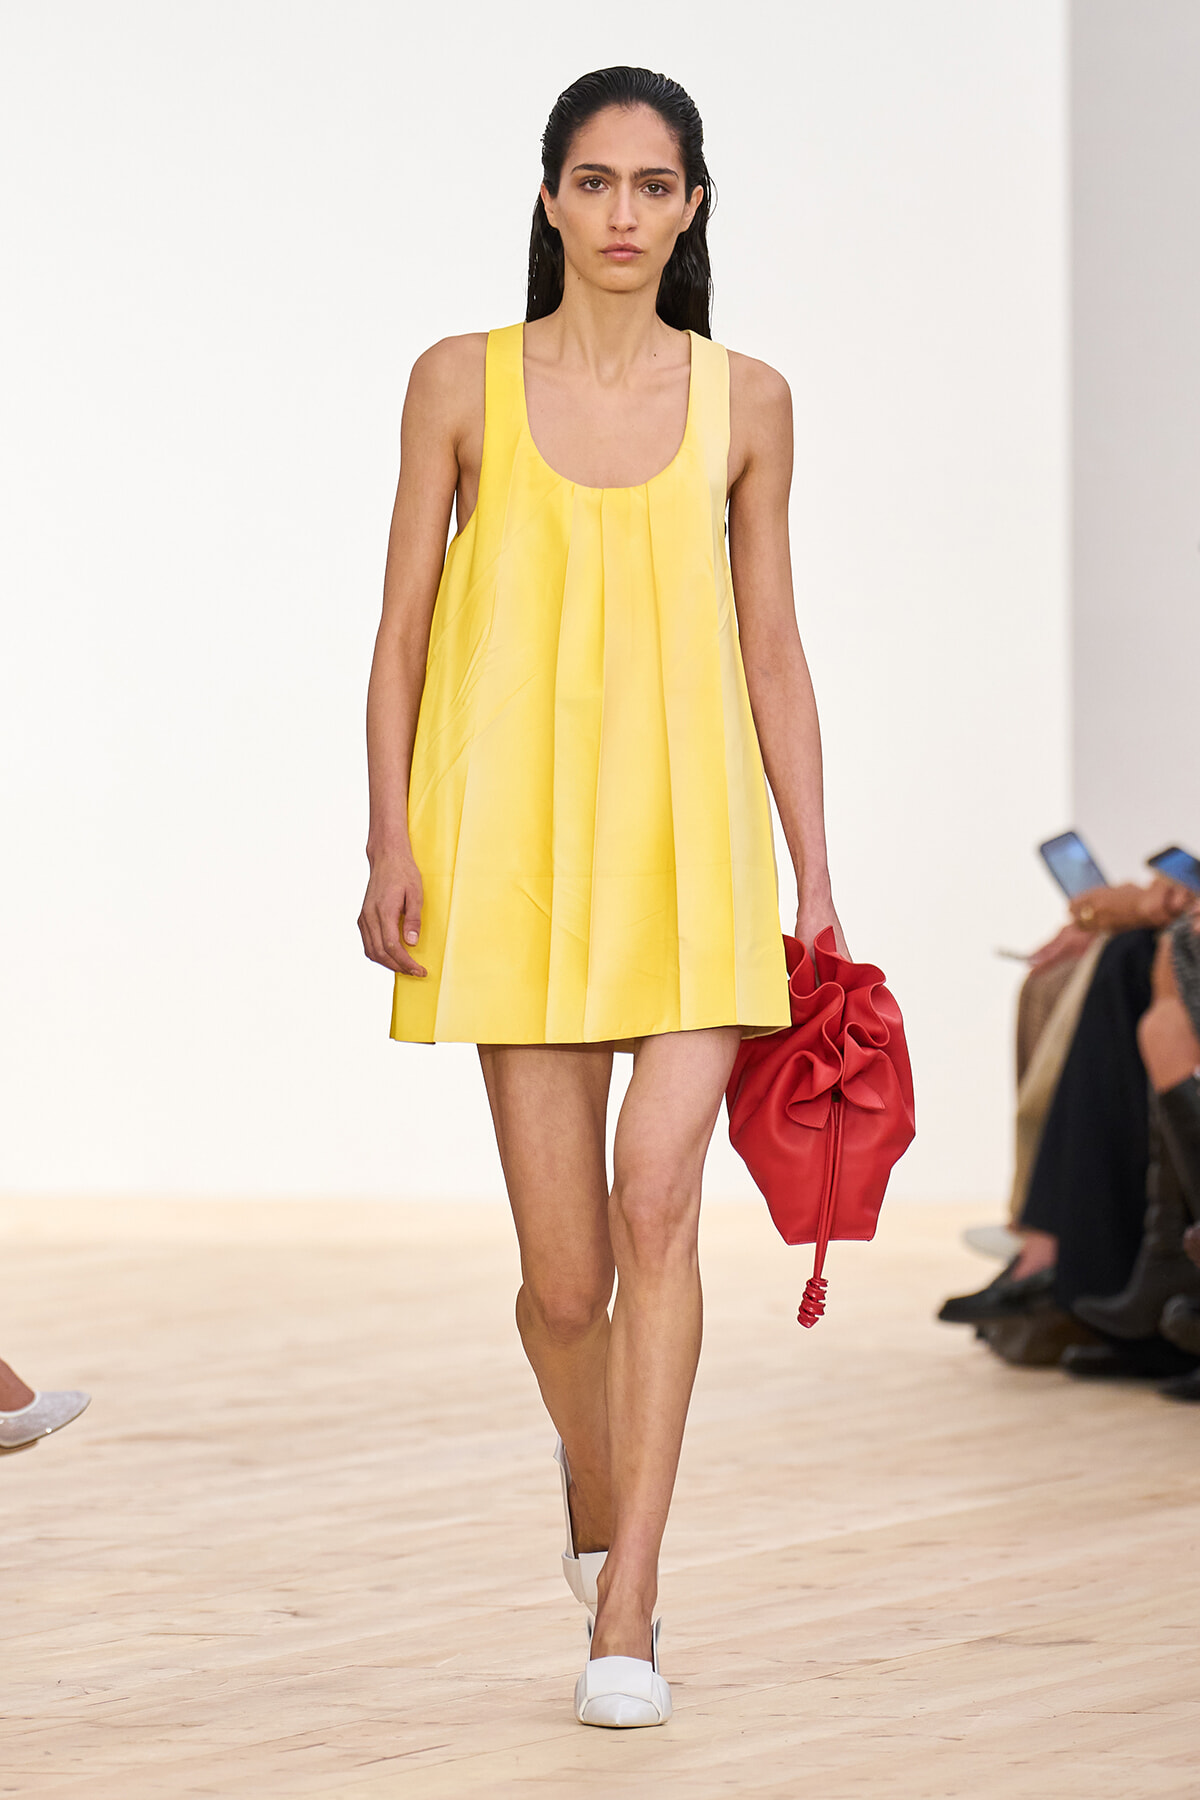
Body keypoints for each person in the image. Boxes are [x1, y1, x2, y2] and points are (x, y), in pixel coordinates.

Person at [358, 67, 846, 1728]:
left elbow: (773, 648)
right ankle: (592, 1470)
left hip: (694, 853)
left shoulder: (752, 402)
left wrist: (820, 876)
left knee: (660, 1219)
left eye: (655, 185)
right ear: (551, 200)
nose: (626, 212)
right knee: (565, 1286)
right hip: (507, 853)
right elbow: (404, 633)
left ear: (692, 207)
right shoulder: (457, 383)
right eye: (597, 181)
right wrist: (388, 841)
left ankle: (628, 1602)